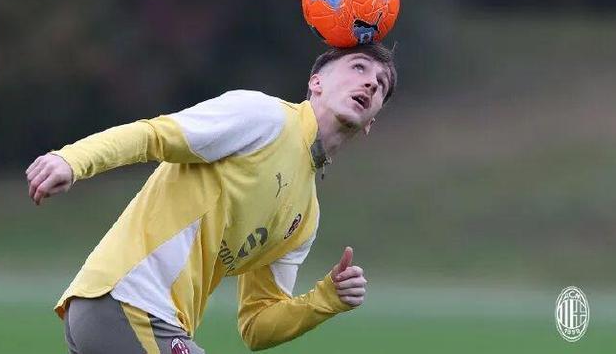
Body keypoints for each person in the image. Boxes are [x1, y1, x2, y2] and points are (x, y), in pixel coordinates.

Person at [25, 42, 396, 353]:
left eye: (380, 84)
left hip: (134, 318)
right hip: (129, 304)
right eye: (358, 68)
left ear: (371, 123)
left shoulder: (305, 217)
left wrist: (326, 299)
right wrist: (73, 159)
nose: (369, 83)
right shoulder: (265, 118)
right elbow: (154, 135)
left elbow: (257, 325)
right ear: (316, 82)